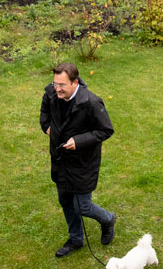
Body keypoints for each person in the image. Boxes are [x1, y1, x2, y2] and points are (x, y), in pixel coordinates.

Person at [40, 62, 117, 258]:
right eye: (55, 83)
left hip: (83, 163)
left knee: (82, 206)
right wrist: (46, 126)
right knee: (65, 201)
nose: (56, 88)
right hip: (60, 159)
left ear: (75, 83)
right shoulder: (52, 93)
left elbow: (105, 130)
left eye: (62, 85)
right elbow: (45, 110)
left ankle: (108, 219)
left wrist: (80, 141)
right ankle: (76, 240)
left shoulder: (91, 103)